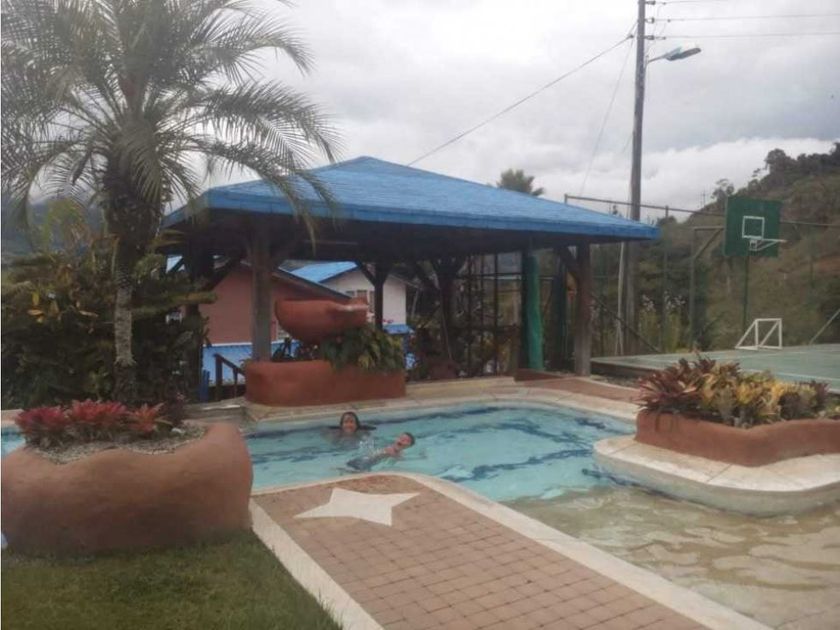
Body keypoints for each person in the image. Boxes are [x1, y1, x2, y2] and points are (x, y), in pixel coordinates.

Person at [346, 432, 415, 471]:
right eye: (401, 438)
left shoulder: (400, 452)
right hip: (364, 461)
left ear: (410, 446)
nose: (402, 440)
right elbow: (395, 458)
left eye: (406, 440)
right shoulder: (391, 449)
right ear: (396, 440)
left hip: (370, 463)